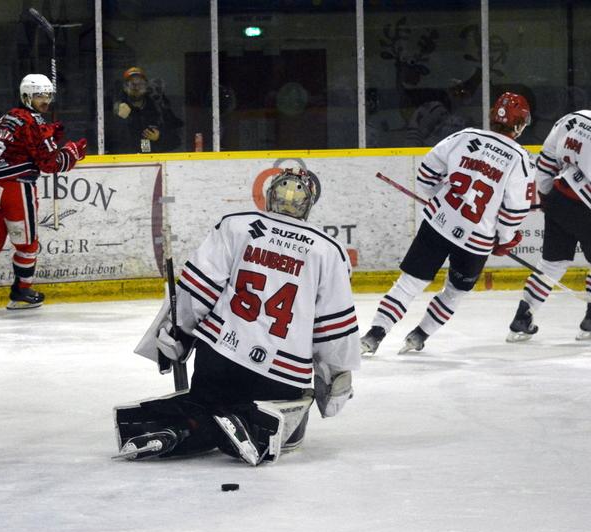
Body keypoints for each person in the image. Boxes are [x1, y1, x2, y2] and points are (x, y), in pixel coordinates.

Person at [115, 168, 360, 466]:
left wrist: (178, 334)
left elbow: (197, 291)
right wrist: (334, 378)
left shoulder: (236, 225)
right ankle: (247, 423)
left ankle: (177, 424)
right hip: (279, 374)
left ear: (269, 196)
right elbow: (334, 329)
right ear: (309, 204)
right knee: (291, 432)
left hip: (219, 358)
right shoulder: (328, 250)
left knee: (204, 404)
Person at [361, 92, 536, 356]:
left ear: (493, 116)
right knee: (455, 291)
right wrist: (504, 238)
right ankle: (419, 335)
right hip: (476, 240)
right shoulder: (520, 159)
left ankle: (374, 334)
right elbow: (514, 211)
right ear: (520, 124)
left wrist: (440, 201)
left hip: (439, 223)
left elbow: (426, 174)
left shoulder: (465, 137)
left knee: (409, 283)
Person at [0, 73, 87, 310]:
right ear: (27, 96)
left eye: (48, 95)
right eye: (40, 95)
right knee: (27, 243)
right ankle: (22, 291)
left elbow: (22, 145)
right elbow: (49, 163)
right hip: (15, 186)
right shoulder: (33, 121)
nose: (46, 100)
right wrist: (72, 152)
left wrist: (49, 136)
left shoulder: (7, 116)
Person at [505, 108, 591, 342]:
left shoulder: (574, 118)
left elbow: (545, 161)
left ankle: (522, 318)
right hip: (586, 207)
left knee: (552, 264)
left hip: (559, 197)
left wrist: (546, 197)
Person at [106, 66, 183, 154]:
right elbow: (105, 143)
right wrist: (119, 120)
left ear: (146, 86)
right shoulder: (114, 109)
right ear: (125, 87)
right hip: (126, 160)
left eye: (140, 84)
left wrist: (159, 137)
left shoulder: (158, 109)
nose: (136, 87)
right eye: (132, 84)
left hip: (153, 160)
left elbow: (177, 141)